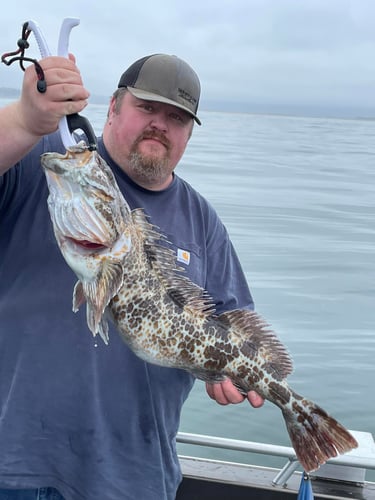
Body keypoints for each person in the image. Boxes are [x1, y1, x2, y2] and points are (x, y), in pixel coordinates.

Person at [0, 53, 264, 500]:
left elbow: (235, 322)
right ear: (113, 106)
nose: (160, 123)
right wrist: (24, 120)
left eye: (177, 117)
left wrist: (232, 372)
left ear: (188, 133)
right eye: (147, 108)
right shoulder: (48, 163)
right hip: (14, 467)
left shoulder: (203, 221)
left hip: (131, 479)